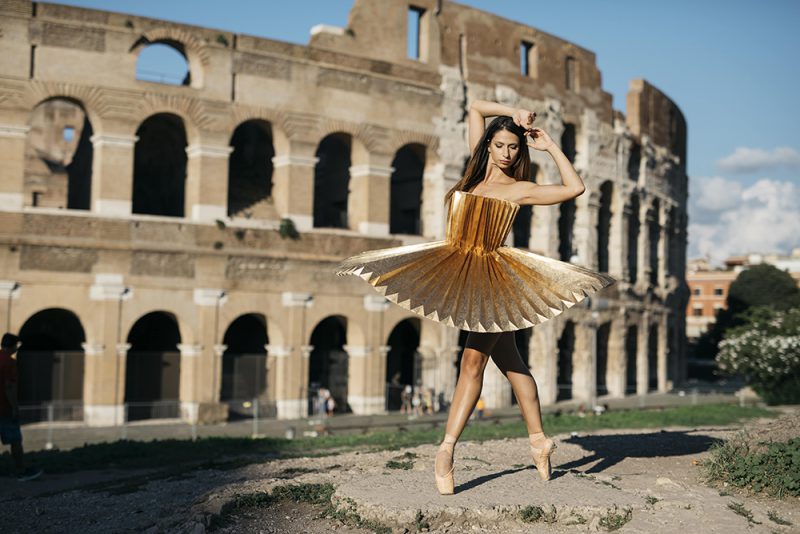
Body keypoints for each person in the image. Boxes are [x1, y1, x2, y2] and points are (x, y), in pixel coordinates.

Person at [337, 100, 614, 494]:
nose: (506, 153)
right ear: (488, 145)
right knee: (513, 364)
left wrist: (549, 145)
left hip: (493, 281)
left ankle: (446, 450)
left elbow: (575, 188)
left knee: (471, 361)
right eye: (500, 145)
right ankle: (539, 440)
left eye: (514, 147)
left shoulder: (519, 189)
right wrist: (515, 112)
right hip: (457, 267)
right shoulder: (472, 173)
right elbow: (475, 108)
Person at [0, 333, 42, 481]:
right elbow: (9, 387)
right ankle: (21, 471)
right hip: (4, 408)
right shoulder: (10, 363)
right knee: (15, 441)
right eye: (16, 346)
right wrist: (14, 408)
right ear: (12, 346)